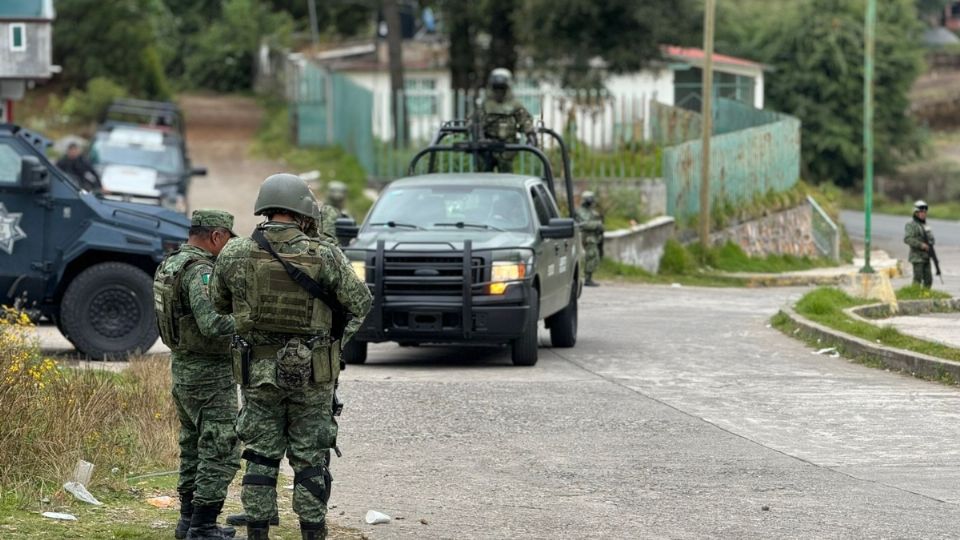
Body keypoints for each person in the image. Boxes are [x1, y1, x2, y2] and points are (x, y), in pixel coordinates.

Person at [211, 174, 372, 540]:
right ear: (302, 211)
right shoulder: (323, 253)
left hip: (258, 372)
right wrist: (335, 341)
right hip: (313, 374)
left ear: (265, 208)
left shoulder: (235, 253)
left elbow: (219, 303)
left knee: (260, 456)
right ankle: (312, 532)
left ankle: (257, 532)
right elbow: (360, 302)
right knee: (309, 458)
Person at [153, 209, 240, 540]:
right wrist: (253, 320)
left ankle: (188, 521)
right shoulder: (201, 271)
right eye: (228, 240)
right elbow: (213, 324)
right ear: (217, 236)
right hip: (209, 374)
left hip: (183, 368)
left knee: (192, 446)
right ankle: (203, 526)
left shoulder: (171, 263)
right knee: (221, 447)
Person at [476, 68, 537, 172]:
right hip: (487, 147)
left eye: (502, 88)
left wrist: (530, 134)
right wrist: (478, 137)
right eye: (496, 88)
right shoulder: (485, 104)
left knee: (506, 176)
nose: (499, 92)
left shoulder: (514, 104)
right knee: (484, 176)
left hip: (508, 147)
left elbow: (525, 120)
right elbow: (475, 121)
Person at [904, 199, 936, 288]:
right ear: (916, 213)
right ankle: (914, 295)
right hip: (917, 257)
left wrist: (931, 243)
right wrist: (921, 245)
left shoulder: (926, 225)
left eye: (925, 212)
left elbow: (931, 238)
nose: (923, 214)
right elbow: (908, 239)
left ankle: (926, 295)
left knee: (928, 279)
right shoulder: (911, 224)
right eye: (921, 212)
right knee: (917, 279)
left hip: (926, 256)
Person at [575, 191, 604, 287]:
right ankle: (587, 278)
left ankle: (589, 277)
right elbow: (584, 224)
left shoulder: (591, 211)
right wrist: (597, 225)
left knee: (595, 257)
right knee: (591, 256)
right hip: (586, 237)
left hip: (594, 237)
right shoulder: (580, 211)